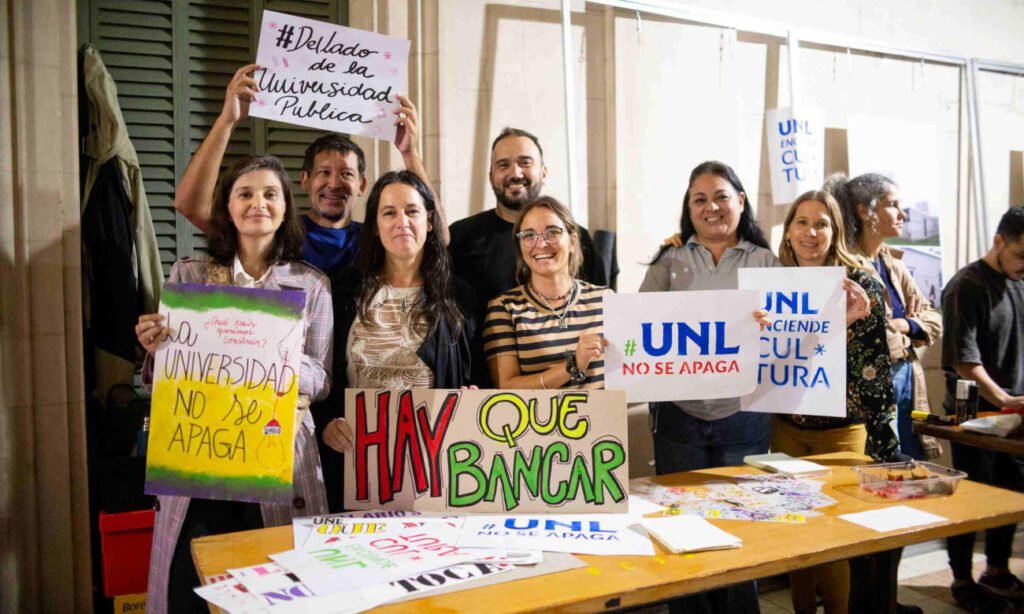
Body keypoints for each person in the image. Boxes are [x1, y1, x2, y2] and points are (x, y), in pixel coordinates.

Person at [136, 155, 332, 613]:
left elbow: (320, 378)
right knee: (190, 584)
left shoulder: (312, 286)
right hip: (201, 454)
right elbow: (165, 376)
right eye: (244, 193)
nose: (257, 203)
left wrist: (268, 350)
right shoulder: (189, 275)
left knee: (277, 586)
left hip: (276, 454)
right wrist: (154, 346)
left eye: (270, 194)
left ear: (286, 208)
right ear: (228, 205)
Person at [639, 160, 776, 613]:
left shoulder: (766, 261)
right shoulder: (670, 259)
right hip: (679, 417)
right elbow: (639, 326)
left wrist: (771, 327)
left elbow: (791, 335)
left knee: (742, 530)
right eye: (700, 199)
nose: (711, 206)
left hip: (746, 416)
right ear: (688, 208)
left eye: (721, 196)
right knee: (683, 530)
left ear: (740, 201)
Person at [173, 63, 448, 276]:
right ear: (304, 180)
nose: (334, 183)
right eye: (323, 172)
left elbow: (439, 235)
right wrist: (226, 121)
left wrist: (410, 153)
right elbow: (190, 205)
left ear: (362, 185)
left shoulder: (375, 236)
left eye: (346, 174)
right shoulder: (276, 229)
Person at [772, 190, 900, 614]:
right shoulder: (772, 283)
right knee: (795, 533)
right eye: (802, 222)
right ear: (788, 232)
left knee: (833, 539)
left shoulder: (860, 284)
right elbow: (768, 357)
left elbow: (872, 371)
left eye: (821, 223)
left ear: (836, 231)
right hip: (786, 428)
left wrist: (844, 324)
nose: (811, 232)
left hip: (842, 433)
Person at [319, 171, 477, 482]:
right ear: (375, 227)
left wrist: (475, 398)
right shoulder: (342, 291)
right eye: (389, 212)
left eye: (412, 211)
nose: (401, 221)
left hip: (436, 469)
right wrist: (327, 423)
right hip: (358, 468)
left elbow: (478, 379)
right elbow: (320, 376)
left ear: (429, 222)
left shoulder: (460, 296)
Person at [824, 173, 942, 460]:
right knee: (883, 464)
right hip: (872, 380)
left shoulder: (891, 260)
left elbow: (934, 318)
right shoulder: (845, 263)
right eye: (893, 204)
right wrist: (902, 328)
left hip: (908, 375)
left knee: (912, 460)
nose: (902, 213)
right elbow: (872, 329)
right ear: (866, 212)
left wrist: (905, 323)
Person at [941, 206, 1024, 613]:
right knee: (969, 501)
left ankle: (996, 570)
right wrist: (1004, 398)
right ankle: (960, 578)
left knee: (1010, 495)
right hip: (973, 416)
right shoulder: (966, 286)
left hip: (1014, 414)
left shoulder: (1019, 282)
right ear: (998, 241)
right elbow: (963, 360)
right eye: (1021, 255)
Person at [448, 127, 608, 322]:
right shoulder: (461, 237)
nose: (515, 173)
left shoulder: (574, 237)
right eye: (503, 165)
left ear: (543, 172)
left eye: (525, 163)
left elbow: (601, 314)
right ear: (491, 177)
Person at [484, 196, 611, 390]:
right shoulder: (505, 308)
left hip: (605, 419)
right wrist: (572, 364)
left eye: (552, 232)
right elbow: (507, 387)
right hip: (537, 421)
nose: (541, 244)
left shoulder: (606, 300)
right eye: (529, 235)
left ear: (573, 241)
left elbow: (638, 367)